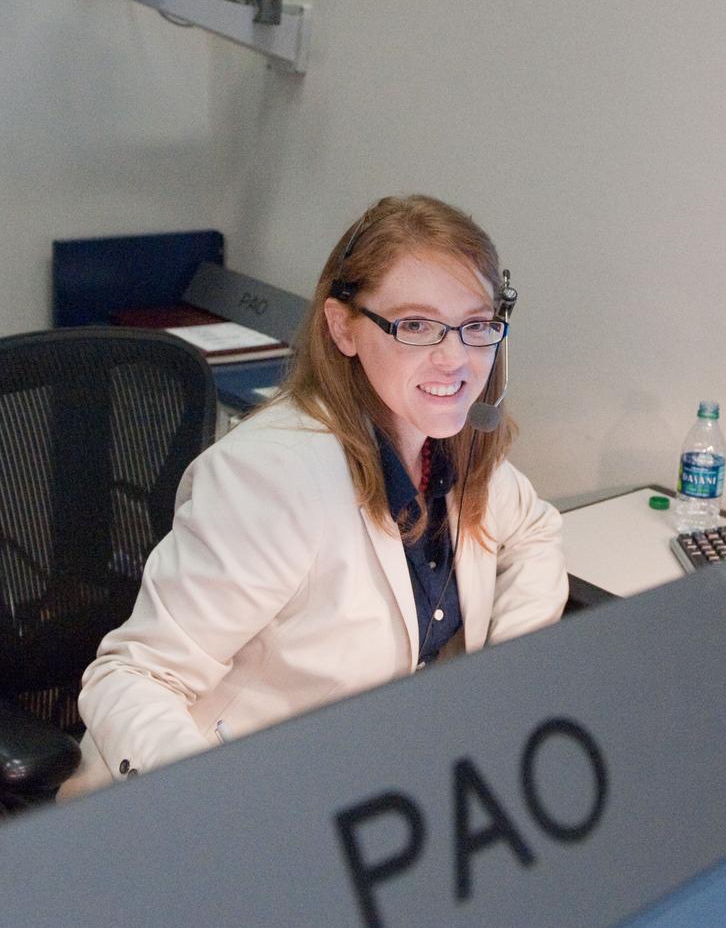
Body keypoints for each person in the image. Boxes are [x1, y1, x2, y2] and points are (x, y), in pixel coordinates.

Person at [59, 194, 568, 798]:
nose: (456, 357)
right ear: (343, 326)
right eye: (416, 325)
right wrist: (214, 806)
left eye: (477, 324)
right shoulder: (273, 480)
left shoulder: (451, 446)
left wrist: (503, 680)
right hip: (228, 803)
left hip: (372, 794)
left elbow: (534, 531)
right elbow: (132, 677)